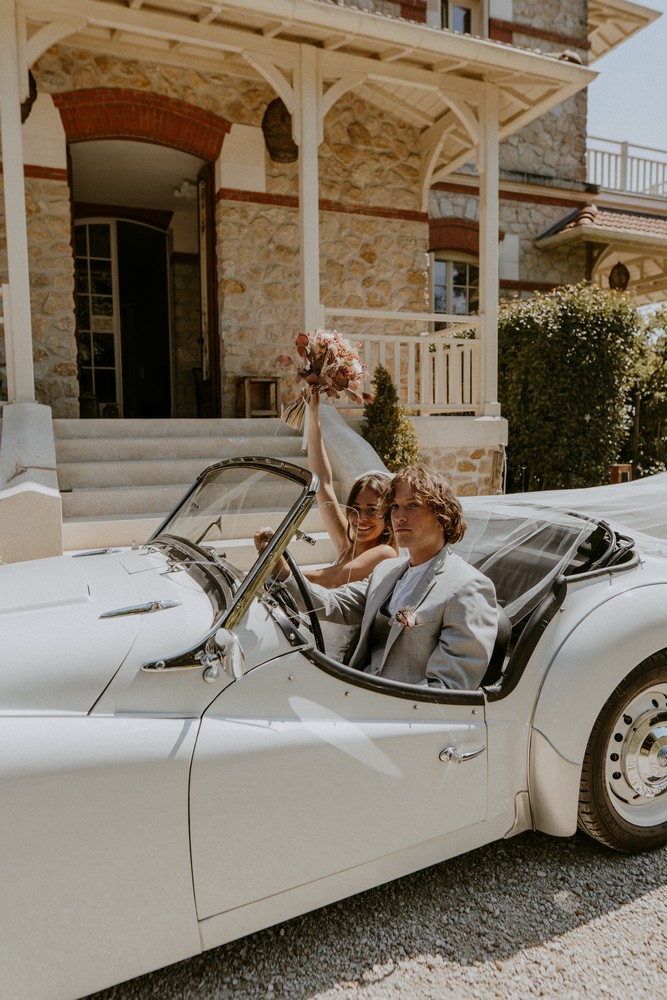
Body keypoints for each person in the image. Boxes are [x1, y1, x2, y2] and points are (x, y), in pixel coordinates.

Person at [276, 465, 498, 689]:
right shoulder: (386, 571)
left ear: (442, 515)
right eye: (394, 507)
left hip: (398, 713)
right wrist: (281, 572)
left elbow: (447, 688)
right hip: (350, 689)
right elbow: (334, 604)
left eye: (412, 505)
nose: (399, 516)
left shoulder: (468, 587)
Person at [258, 392, 396, 588]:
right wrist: (313, 416)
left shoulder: (386, 553)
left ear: (388, 515)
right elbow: (323, 483)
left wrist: (276, 569)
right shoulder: (347, 546)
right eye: (356, 508)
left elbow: (333, 578)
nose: (361, 517)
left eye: (372, 509)